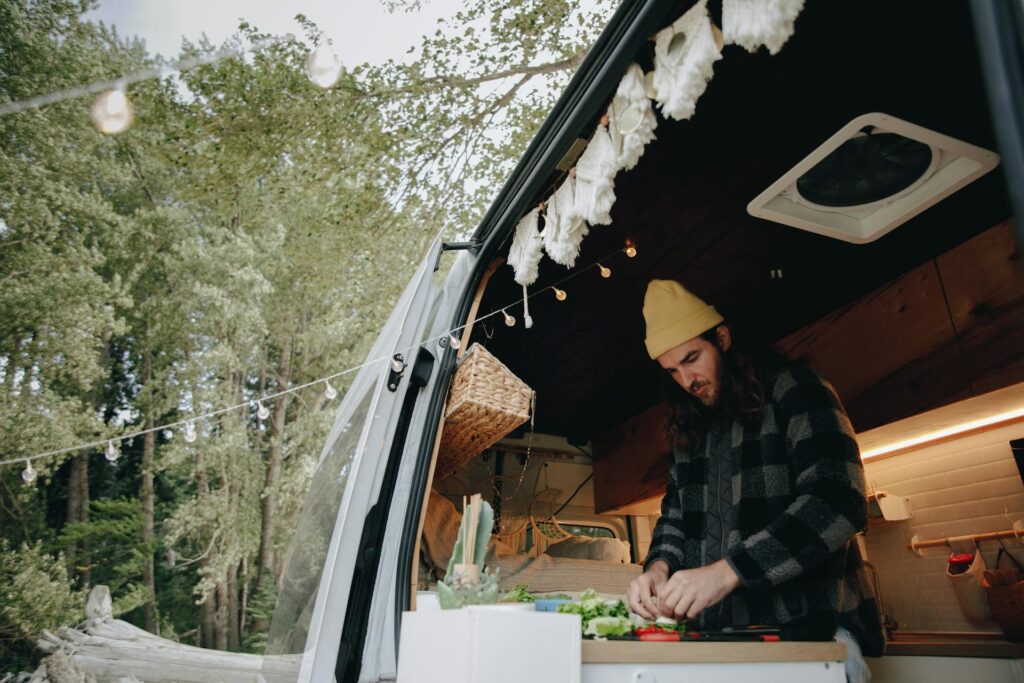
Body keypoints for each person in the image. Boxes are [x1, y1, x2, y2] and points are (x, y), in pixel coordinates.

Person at [627, 279, 885, 680]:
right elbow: (675, 519)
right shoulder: (688, 430)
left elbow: (839, 500)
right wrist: (657, 568)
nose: (686, 380)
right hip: (721, 642)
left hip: (811, 637)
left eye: (692, 358)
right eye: (672, 371)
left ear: (723, 339)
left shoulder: (796, 390)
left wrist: (728, 570)